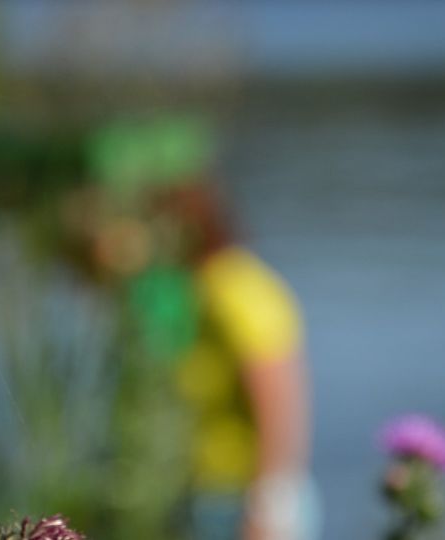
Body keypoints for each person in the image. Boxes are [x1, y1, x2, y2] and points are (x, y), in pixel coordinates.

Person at [71, 115, 319, 539]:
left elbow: (281, 401)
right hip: (201, 495)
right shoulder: (185, 288)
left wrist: (270, 506)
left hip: (240, 500)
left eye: (150, 218)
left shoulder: (235, 288)